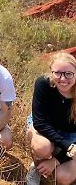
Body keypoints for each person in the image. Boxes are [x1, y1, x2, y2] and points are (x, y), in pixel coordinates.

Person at [25, 52, 76, 185]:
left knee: (64, 177)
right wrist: (68, 148)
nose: (63, 79)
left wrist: (56, 160)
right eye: (57, 73)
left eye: (69, 73)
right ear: (51, 72)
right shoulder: (43, 84)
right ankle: (36, 167)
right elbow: (39, 122)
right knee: (42, 147)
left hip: (72, 135)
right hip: (45, 127)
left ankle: (57, 155)